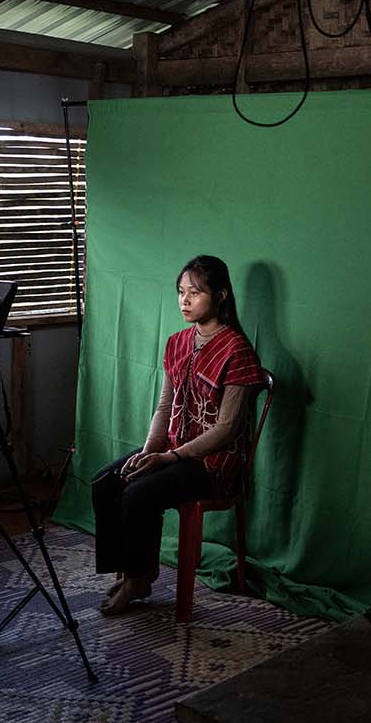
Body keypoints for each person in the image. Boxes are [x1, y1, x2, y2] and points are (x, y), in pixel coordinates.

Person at [91, 255, 263, 616]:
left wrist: (169, 458)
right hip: (171, 448)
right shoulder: (177, 343)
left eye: (195, 293)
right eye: (180, 292)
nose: (184, 301)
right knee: (106, 482)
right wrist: (151, 449)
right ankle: (135, 571)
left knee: (138, 494)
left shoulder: (238, 351)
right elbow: (165, 406)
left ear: (221, 296)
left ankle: (138, 580)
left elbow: (227, 429)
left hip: (214, 463)